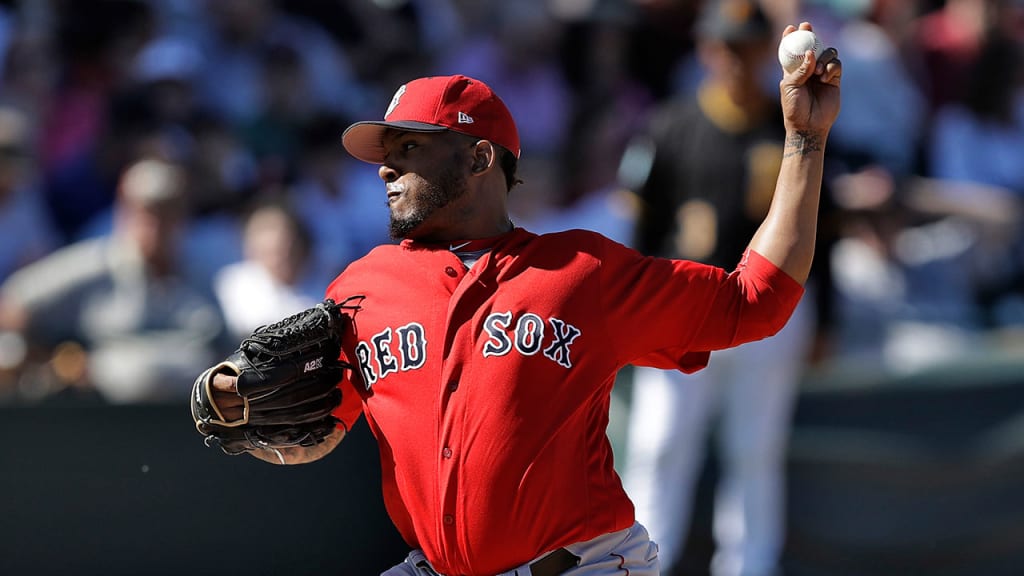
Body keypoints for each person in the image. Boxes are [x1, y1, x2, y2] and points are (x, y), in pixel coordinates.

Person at [204, 27, 842, 575]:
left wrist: (804, 144)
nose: (384, 168)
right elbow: (315, 432)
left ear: (480, 156)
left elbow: (756, 299)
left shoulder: (582, 271)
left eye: (409, 148)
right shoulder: (362, 287)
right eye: (386, 152)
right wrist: (237, 402)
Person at [618, 2, 823, 575]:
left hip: (769, 313)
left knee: (754, 452)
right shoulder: (670, 124)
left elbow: (819, 231)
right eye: (724, 45)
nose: (733, 57)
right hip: (681, 310)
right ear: (705, 48)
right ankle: (640, 567)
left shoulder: (788, 125)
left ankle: (751, 567)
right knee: (659, 449)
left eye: (745, 45)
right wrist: (633, 314)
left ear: (762, 50)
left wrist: (824, 317)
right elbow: (638, 229)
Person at [0, 156, 226, 403]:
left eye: (169, 211)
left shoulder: (202, 274)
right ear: (123, 211)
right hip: (104, 423)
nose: (157, 224)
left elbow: (224, 345)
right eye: (146, 211)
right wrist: (54, 357)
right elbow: (13, 304)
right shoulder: (90, 266)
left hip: (186, 427)